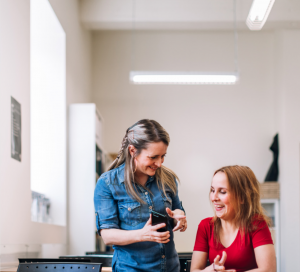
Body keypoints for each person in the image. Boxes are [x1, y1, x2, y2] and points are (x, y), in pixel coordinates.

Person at [94, 119, 187, 272]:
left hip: (170, 268)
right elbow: (108, 236)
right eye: (153, 157)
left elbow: (177, 209)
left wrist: (179, 217)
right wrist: (142, 235)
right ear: (132, 151)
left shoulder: (169, 179)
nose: (159, 163)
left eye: (163, 156)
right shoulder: (107, 183)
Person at [191, 166, 276, 272]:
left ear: (242, 197)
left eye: (222, 192)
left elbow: (269, 269)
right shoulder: (205, 226)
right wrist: (210, 269)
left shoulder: (257, 223)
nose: (214, 198)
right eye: (212, 190)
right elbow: (195, 270)